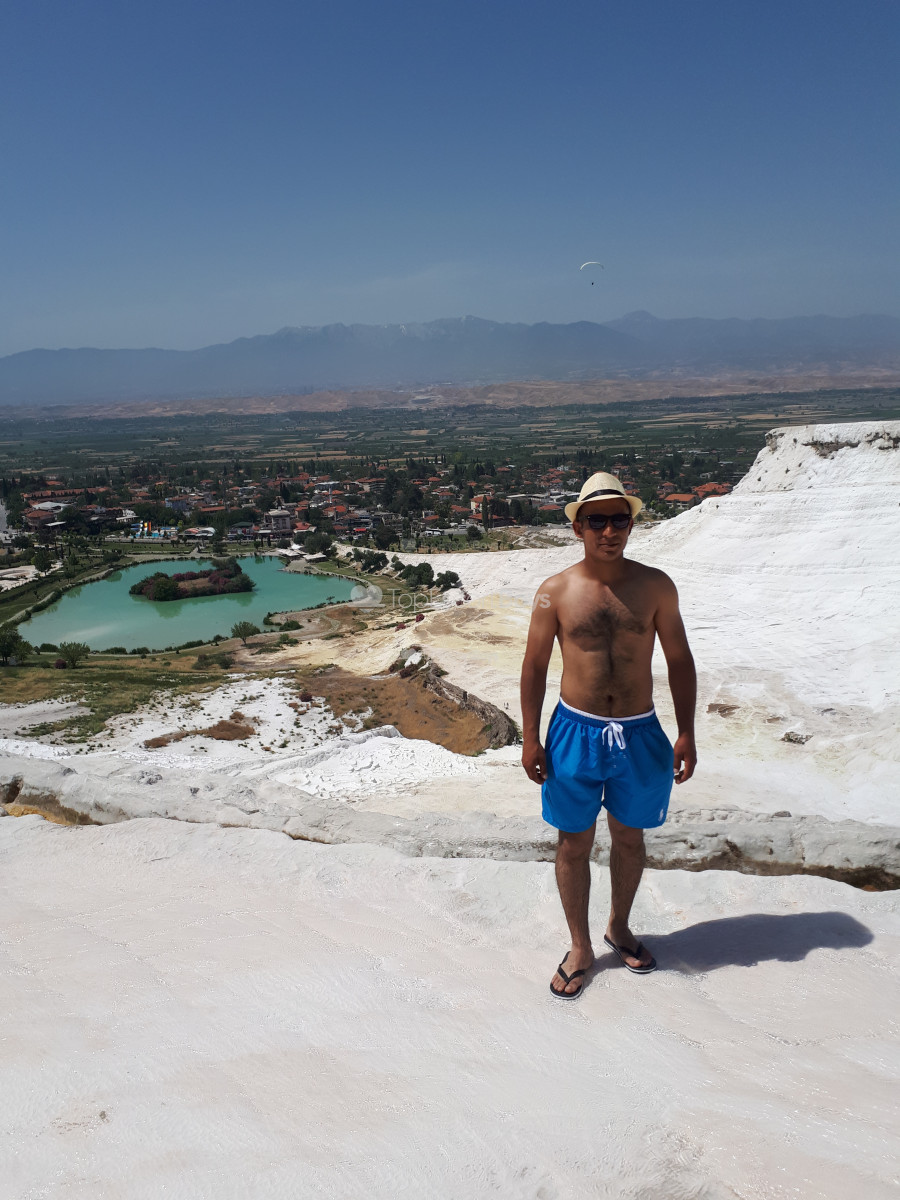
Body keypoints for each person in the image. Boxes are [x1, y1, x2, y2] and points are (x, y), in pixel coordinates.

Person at [519, 472, 697, 998]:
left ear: (631, 524)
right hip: (575, 731)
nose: (609, 531)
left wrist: (686, 731)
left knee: (629, 836)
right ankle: (580, 946)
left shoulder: (656, 586)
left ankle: (618, 926)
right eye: (596, 520)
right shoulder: (554, 592)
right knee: (574, 842)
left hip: (640, 732)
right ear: (578, 527)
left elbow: (679, 660)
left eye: (620, 519)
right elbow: (534, 666)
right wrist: (530, 737)